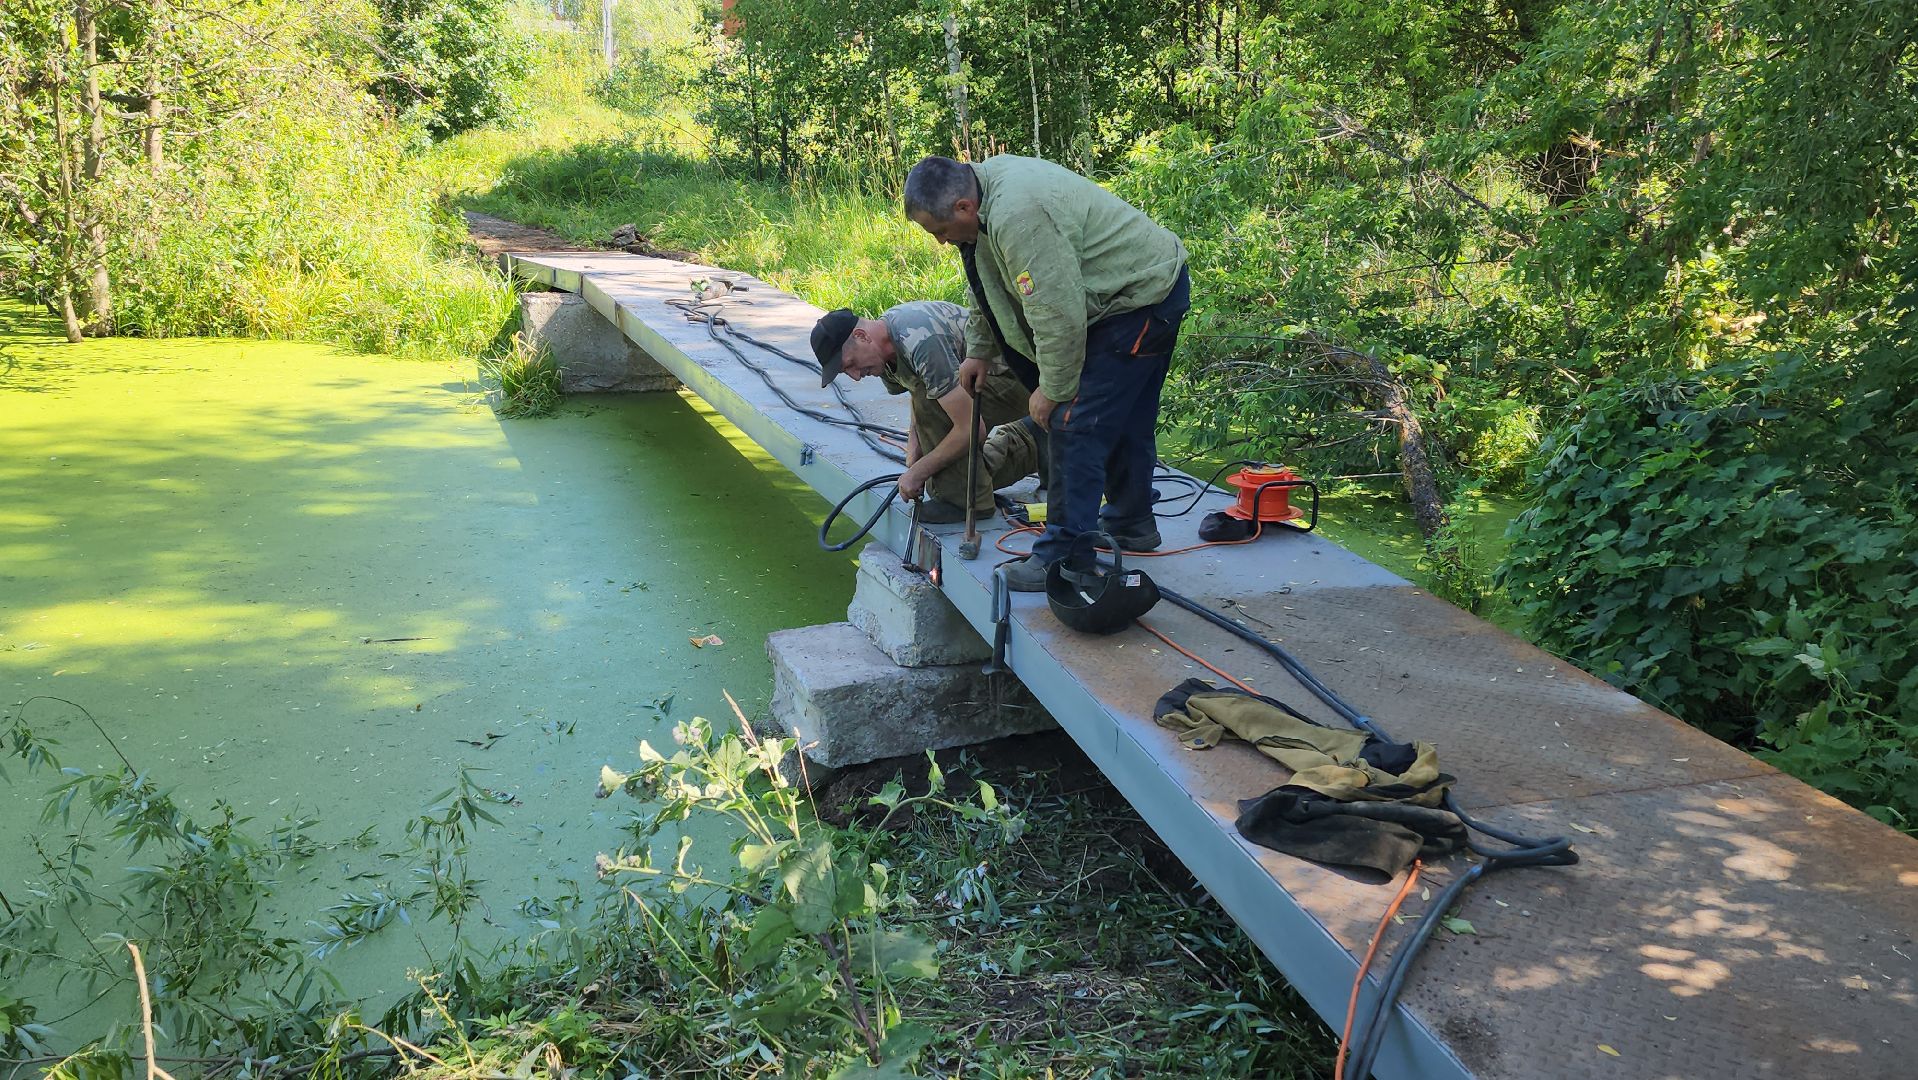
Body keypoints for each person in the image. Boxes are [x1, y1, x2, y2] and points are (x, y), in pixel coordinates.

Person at [903, 154, 1191, 591]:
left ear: (963, 206)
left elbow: (1058, 313)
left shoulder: (1020, 214)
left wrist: (1053, 390)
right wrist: (979, 350)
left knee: (1074, 422)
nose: (942, 242)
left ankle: (1063, 555)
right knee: (1124, 419)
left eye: (940, 230)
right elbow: (987, 280)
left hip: (1140, 299)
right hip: (1127, 296)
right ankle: (1131, 522)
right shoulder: (983, 202)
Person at [812, 300, 1043, 523]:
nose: (855, 376)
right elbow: (918, 390)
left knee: (941, 465)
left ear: (861, 336)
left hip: (1023, 380)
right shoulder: (883, 351)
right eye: (846, 372)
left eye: (850, 364)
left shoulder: (918, 339)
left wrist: (918, 472)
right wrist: (915, 447)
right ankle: (1034, 445)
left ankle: (966, 504)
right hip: (982, 380)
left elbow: (971, 428)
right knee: (941, 478)